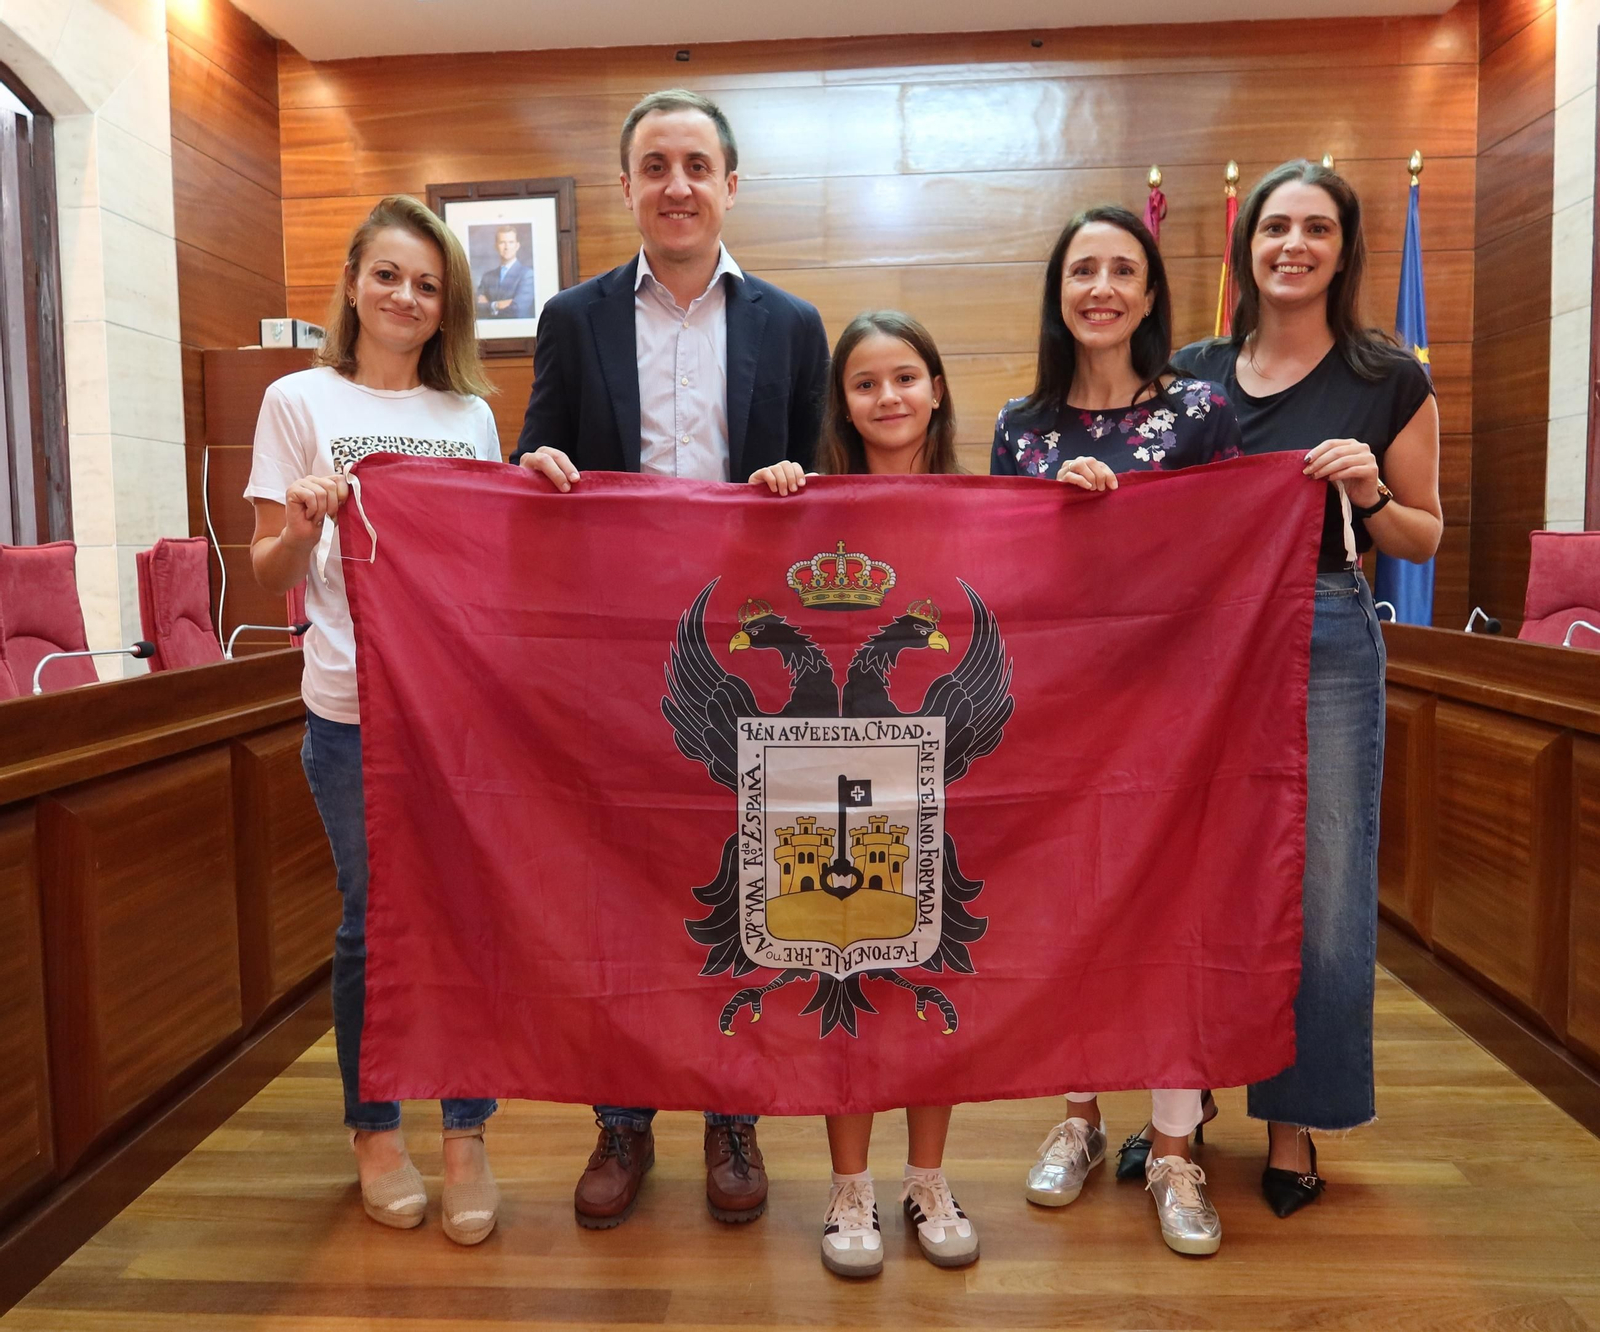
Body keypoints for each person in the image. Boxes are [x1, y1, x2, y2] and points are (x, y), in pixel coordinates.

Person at [513, 88, 830, 1232]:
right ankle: (623, 1117)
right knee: (617, 883)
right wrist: (539, 465)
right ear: (629, 187)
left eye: (697, 163)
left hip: (748, 652)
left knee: (743, 877)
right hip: (612, 651)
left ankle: (733, 1113)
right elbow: (532, 456)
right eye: (655, 165)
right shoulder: (573, 317)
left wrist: (801, 492)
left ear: (730, 185)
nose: (678, 184)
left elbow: (825, 497)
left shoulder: (793, 324)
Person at [1171, 160, 1441, 1217]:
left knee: (1321, 884)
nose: (1292, 244)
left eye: (1315, 228)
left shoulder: (1387, 378)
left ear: (1344, 247)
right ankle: (1174, 1115)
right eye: (1275, 226)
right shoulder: (1190, 371)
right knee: (1188, 874)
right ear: (1248, 246)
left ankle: (1295, 1122)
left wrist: (1370, 491)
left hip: (1326, 631)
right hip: (1197, 645)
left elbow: (1422, 533)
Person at [244, 195, 505, 1246]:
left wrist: (534, 486)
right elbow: (267, 571)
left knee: (465, 915)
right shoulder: (296, 399)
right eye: (389, 274)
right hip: (350, 708)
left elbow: (494, 565)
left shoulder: (471, 417)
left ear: (448, 310)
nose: (406, 296)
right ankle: (374, 1130)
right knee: (371, 924)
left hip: (459, 716)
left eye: (428, 284)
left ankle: (466, 1133)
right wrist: (304, 518)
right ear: (353, 282)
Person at [991, 205, 1241, 1257]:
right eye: (1081, 269)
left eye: (1121, 271)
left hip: (1179, 705)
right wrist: (1053, 512)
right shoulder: (1020, 425)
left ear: (1149, 295)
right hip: (1062, 708)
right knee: (1073, 911)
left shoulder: (1201, 410)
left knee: (1173, 916)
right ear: (1058, 291)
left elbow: (1226, 545)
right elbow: (996, 571)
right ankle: (1080, 1118)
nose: (1100, 287)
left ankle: (1175, 1146)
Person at [752, 310, 977, 1277]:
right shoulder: (805, 500)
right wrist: (760, 505)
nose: (889, 398)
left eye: (906, 377)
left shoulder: (989, 500)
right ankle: (849, 1186)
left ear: (937, 388)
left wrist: (1082, 497)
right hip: (827, 776)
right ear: (840, 402)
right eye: (866, 383)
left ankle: (928, 1175)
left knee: (937, 977)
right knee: (841, 971)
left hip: (946, 770)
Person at [475, 225, 536, 319]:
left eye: (511, 242)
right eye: (502, 242)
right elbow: (476, 308)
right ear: (496, 246)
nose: (506, 247)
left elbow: (517, 310)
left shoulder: (527, 275)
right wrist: (497, 305)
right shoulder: (487, 277)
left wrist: (489, 305)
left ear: (517, 246)